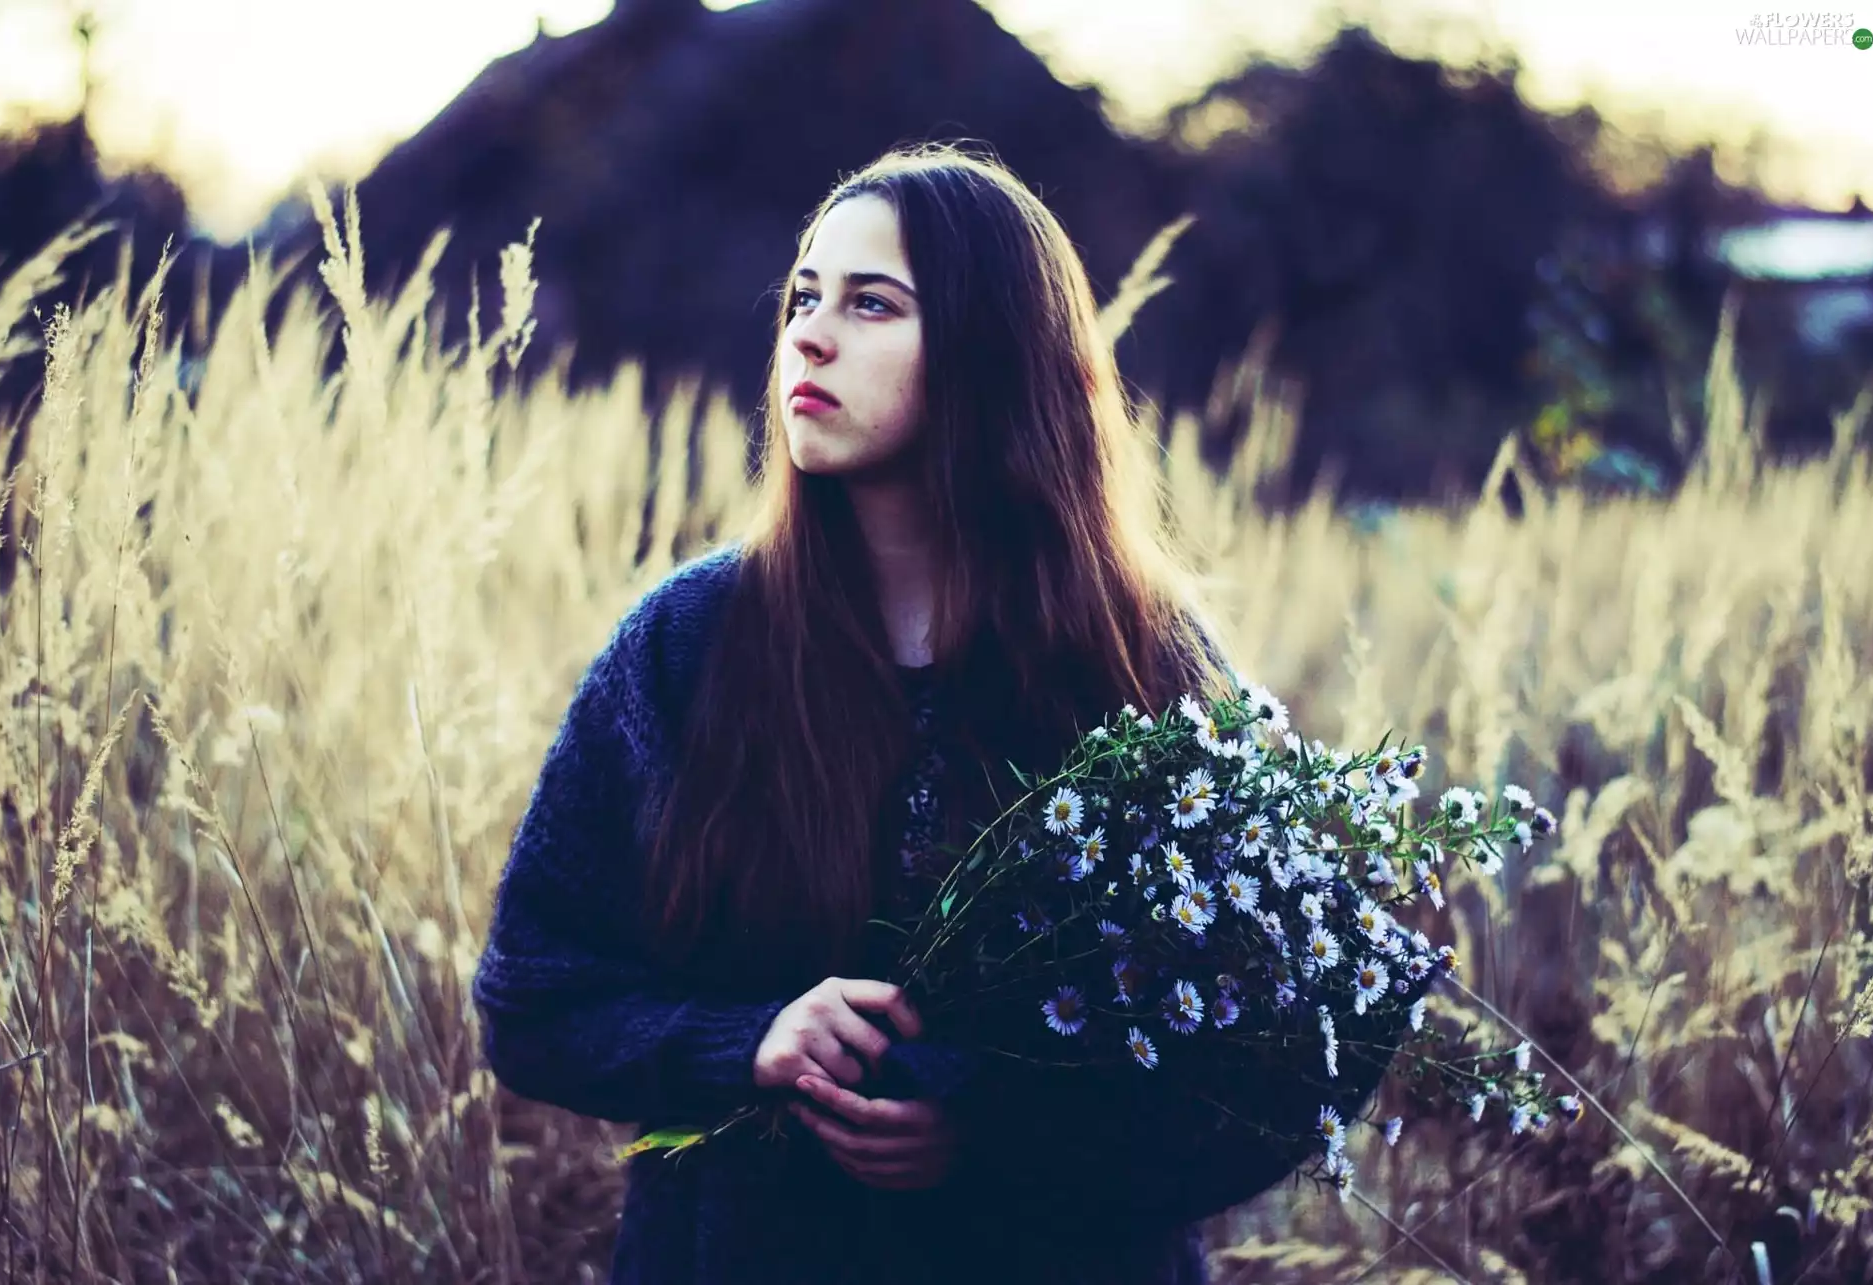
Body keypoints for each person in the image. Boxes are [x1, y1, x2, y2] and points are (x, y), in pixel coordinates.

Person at [472, 143, 1392, 1285]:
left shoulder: (1137, 662)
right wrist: (745, 1041)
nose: (809, 334)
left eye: (872, 304)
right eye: (805, 296)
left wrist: (1000, 1132)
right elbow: (536, 999)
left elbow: (1302, 1042)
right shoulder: (691, 643)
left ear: (992, 352)